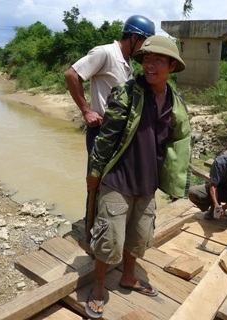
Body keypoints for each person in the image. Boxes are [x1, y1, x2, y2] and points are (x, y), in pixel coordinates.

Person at [84, 35, 191, 318]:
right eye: (146, 59)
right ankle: (97, 286)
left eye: (158, 60)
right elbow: (106, 139)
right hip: (118, 181)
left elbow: (177, 146)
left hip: (147, 185)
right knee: (109, 240)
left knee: (139, 238)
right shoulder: (125, 93)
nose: (150, 65)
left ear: (171, 65)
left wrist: (174, 182)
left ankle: (128, 277)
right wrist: (94, 174)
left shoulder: (175, 102)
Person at [64, 15, 155, 231]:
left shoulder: (128, 64)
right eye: (145, 43)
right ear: (134, 37)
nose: (146, 50)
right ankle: (90, 230)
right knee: (96, 180)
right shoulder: (105, 52)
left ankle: (105, 226)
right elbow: (71, 74)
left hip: (119, 135)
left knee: (112, 182)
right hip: (101, 132)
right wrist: (86, 111)